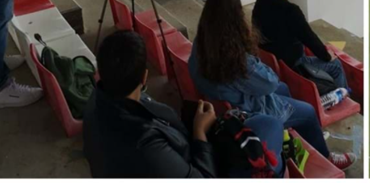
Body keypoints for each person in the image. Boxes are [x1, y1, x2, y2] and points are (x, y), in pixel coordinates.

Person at [189, 0, 356, 171]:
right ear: (236, 23)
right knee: (308, 112)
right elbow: (270, 81)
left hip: (226, 103)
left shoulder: (201, 44)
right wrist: (247, 47)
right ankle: (326, 156)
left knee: (284, 88)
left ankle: (294, 133)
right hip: (248, 114)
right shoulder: (238, 61)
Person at [84, 30, 284, 178]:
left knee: (263, 127)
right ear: (145, 77)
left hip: (181, 155)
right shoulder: (144, 144)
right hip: (198, 164)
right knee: (272, 130)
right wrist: (199, 133)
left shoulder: (98, 99)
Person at [252, 0, 348, 89]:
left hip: (270, 56)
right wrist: (327, 55)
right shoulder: (291, 11)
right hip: (292, 64)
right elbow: (310, 38)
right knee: (336, 65)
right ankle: (342, 97)